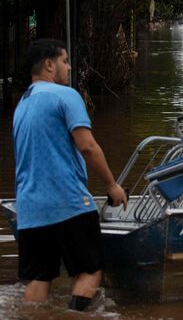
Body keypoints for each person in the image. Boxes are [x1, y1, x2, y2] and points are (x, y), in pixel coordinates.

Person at [12, 39, 127, 311]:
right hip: (67, 203)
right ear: (49, 65)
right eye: (65, 61)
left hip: (29, 210)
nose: (69, 67)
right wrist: (112, 186)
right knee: (90, 271)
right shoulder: (66, 96)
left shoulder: (21, 106)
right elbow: (87, 146)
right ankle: (73, 315)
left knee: (39, 278)